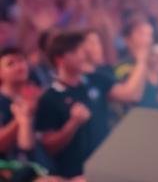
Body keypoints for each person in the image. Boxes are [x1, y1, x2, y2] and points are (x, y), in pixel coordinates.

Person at [35, 31, 113, 178]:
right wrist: (73, 123)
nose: (83, 56)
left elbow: (130, 95)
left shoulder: (93, 82)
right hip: (75, 175)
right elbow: (49, 146)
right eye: (76, 52)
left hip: (107, 168)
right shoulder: (50, 98)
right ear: (60, 59)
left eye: (82, 51)